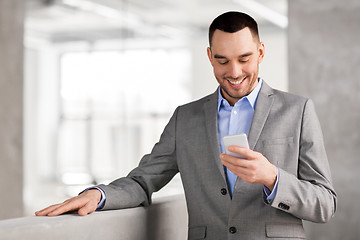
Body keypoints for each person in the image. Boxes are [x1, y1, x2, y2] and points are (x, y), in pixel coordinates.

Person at [36, 11, 337, 239]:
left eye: (244, 58)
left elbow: (324, 204)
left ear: (260, 52)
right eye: (222, 61)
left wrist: (272, 177)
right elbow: (143, 181)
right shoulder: (186, 118)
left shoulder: (298, 111)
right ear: (209, 56)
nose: (234, 72)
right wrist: (98, 195)